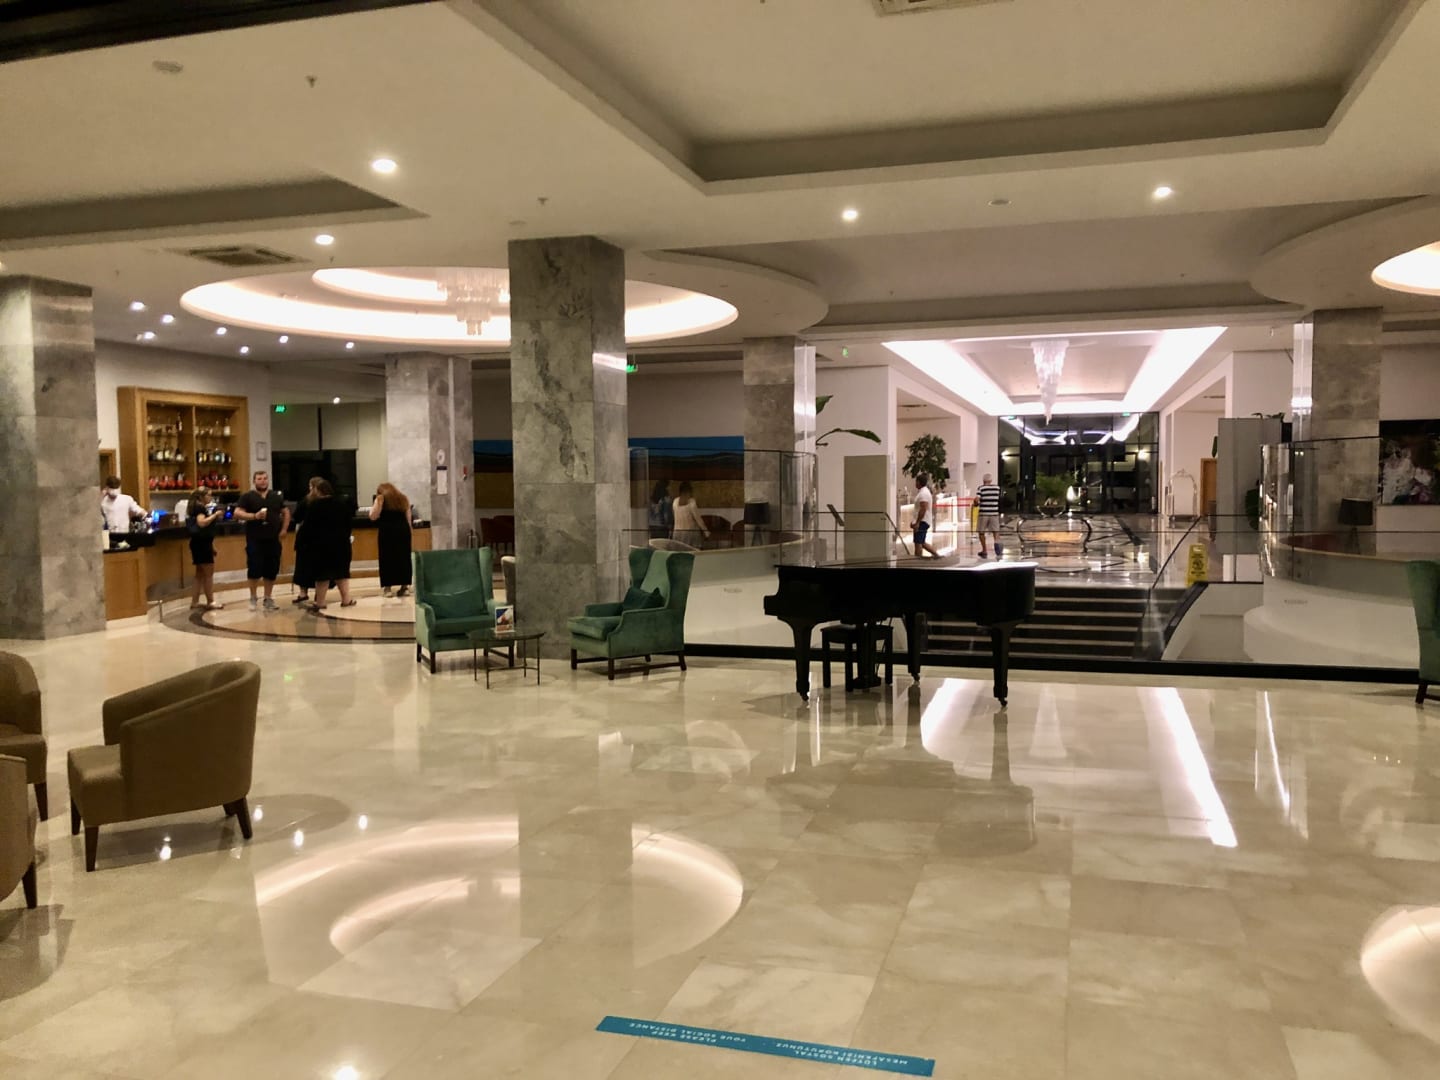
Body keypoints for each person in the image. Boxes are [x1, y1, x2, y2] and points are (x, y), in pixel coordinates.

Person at [234, 470, 289, 610]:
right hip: (255, 538)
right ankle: (253, 597)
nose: (263, 481)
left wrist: (284, 529)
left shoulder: (276, 496)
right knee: (254, 567)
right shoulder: (247, 496)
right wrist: (254, 516)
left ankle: (268, 597)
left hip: (273, 538)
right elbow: (237, 513)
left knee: (271, 568)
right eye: (259, 479)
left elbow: (286, 512)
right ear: (254, 481)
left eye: (265, 478)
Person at [302, 477, 355, 611]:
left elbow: (308, 527)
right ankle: (346, 599)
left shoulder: (314, 506)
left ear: (318, 491)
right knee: (341, 573)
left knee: (322, 575)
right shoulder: (341, 503)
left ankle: (320, 602)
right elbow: (348, 524)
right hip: (341, 544)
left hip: (320, 546)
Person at [369, 482, 413, 597]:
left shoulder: (380, 499)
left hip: (387, 531)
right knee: (403, 558)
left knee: (387, 558)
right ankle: (405, 587)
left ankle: (387, 588)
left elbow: (373, 516)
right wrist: (409, 533)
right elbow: (408, 518)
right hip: (403, 531)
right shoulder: (403, 499)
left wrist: (378, 503)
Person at [186, 486, 225, 610]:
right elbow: (202, 523)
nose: (211, 498)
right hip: (202, 545)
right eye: (209, 495)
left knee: (199, 574)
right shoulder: (200, 508)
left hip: (198, 543)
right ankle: (211, 601)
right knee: (208, 574)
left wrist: (211, 545)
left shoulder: (194, 507)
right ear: (201, 497)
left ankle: (195, 601)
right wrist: (215, 515)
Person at [671, 481, 710, 548]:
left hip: (677, 533)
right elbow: (698, 519)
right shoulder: (692, 503)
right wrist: (706, 532)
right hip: (690, 534)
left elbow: (674, 516)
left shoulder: (675, 501)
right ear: (688, 492)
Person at [911, 472, 939, 557]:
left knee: (918, 543)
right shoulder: (923, 492)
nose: (915, 483)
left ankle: (918, 560)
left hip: (922, 521)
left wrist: (917, 523)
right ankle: (937, 556)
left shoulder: (923, 493)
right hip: (922, 521)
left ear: (918, 482)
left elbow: (923, 509)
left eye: (916, 481)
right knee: (922, 542)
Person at [976, 472, 1003, 558]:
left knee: (981, 532)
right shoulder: (997, 488)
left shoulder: (981, 488)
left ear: (983, 481)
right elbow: (1000, 498)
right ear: (991, 480)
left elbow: (977, 500)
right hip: (994, 513)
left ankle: (984, 550)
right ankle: (998, 549)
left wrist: (975, 503)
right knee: (996, 531)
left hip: (983, 513)